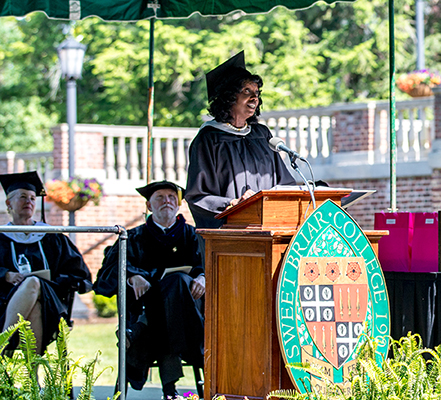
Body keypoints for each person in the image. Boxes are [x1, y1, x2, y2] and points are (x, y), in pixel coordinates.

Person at [94, 181, 204, 399]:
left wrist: (203, 277)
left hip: (185, 314)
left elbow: (210, 266)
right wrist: (131, 276)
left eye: (172, 197)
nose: (167, 202)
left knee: (179, 281)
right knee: (178, 284)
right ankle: (170, 390)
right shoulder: (132, 238)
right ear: (149, 205)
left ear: (179, 204)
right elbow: (104, 279)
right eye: (160, 198)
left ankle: (142, 327)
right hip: (180, 325)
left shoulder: (194, 236)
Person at [186, 50, 296, 229]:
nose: (255, 98)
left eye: (257, 92)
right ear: (229, 97)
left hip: (268, 229)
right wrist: (232, 204)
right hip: (231, 234)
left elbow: (284, 184)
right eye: (247, 91)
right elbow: (198, 196)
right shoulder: (209, 139)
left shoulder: (262, 135)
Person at [0, 171, 91, 355]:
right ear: (8, 203)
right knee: (34, 304)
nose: (29, 202)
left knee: (34, 283)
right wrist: (5, 274)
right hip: (4, 304)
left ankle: (2, 343)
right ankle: (33, 380)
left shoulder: (52, 237)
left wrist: (51, 282)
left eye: (33, 198)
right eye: (23, 197)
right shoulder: (1, 237)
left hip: (52, 307)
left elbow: (80, 275)